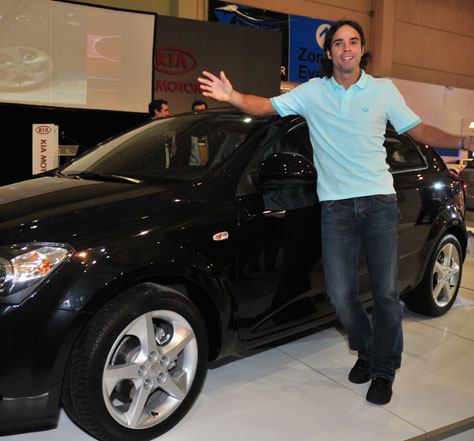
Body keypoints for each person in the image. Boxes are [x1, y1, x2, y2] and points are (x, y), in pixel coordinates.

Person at [198, 19, 474, 406]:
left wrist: (463, 140)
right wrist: (231, 95)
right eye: (339, 43)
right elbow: (264, 107)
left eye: (353, 42)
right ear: (329, 52)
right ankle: (367, 350)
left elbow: (419, 130)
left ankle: (383, 369)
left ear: (362, 49)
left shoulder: (382, 90)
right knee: (341, 295)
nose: (346, 48)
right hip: (336, 208)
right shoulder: (313, 92)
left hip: (379, 203)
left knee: (385, 294)